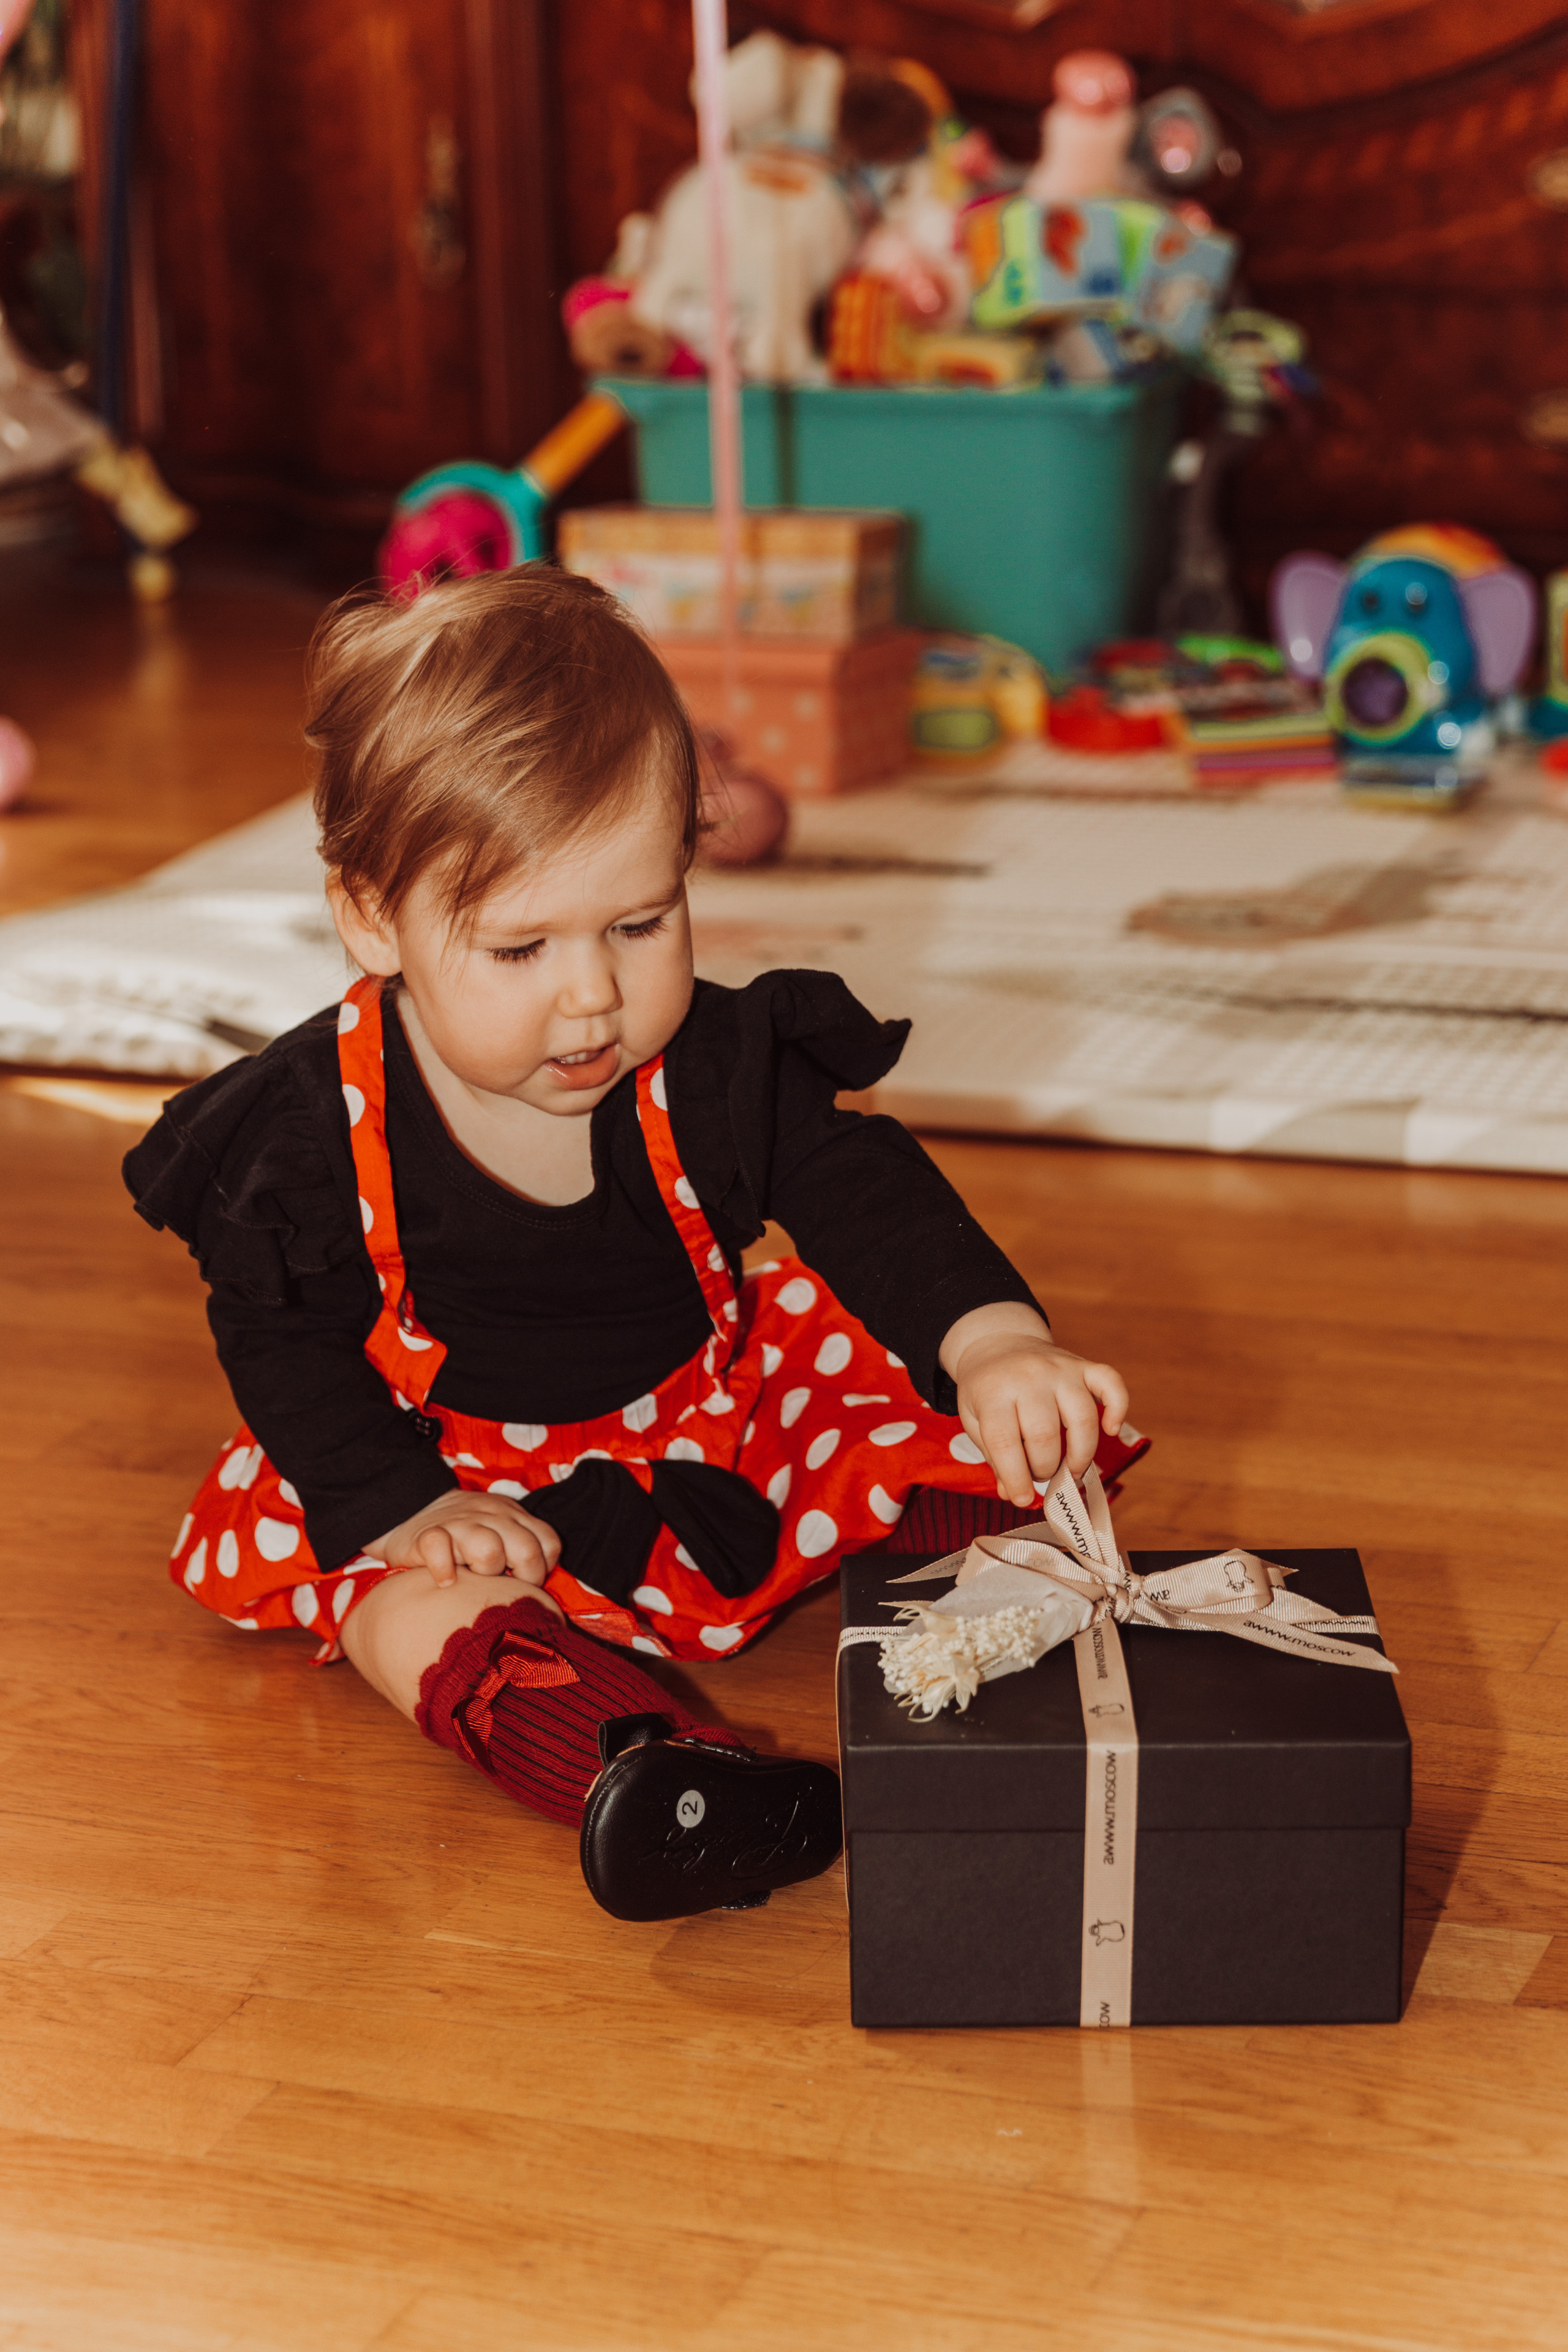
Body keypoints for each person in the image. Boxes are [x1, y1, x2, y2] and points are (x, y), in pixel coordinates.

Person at [125, 567, 1136, 1921]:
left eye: (640, 923)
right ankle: (643, 1767)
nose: (593, 994)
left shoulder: (711, 1062)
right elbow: (275, 1333)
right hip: (444, 1464)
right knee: (391, 1604)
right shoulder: (308, 1133)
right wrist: (399, 1506)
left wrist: (993, 1340)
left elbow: (857, 1189)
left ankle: (1005, 1608)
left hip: (707, 1410)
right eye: (520, 945)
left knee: (951, 1394)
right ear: (373, 918)